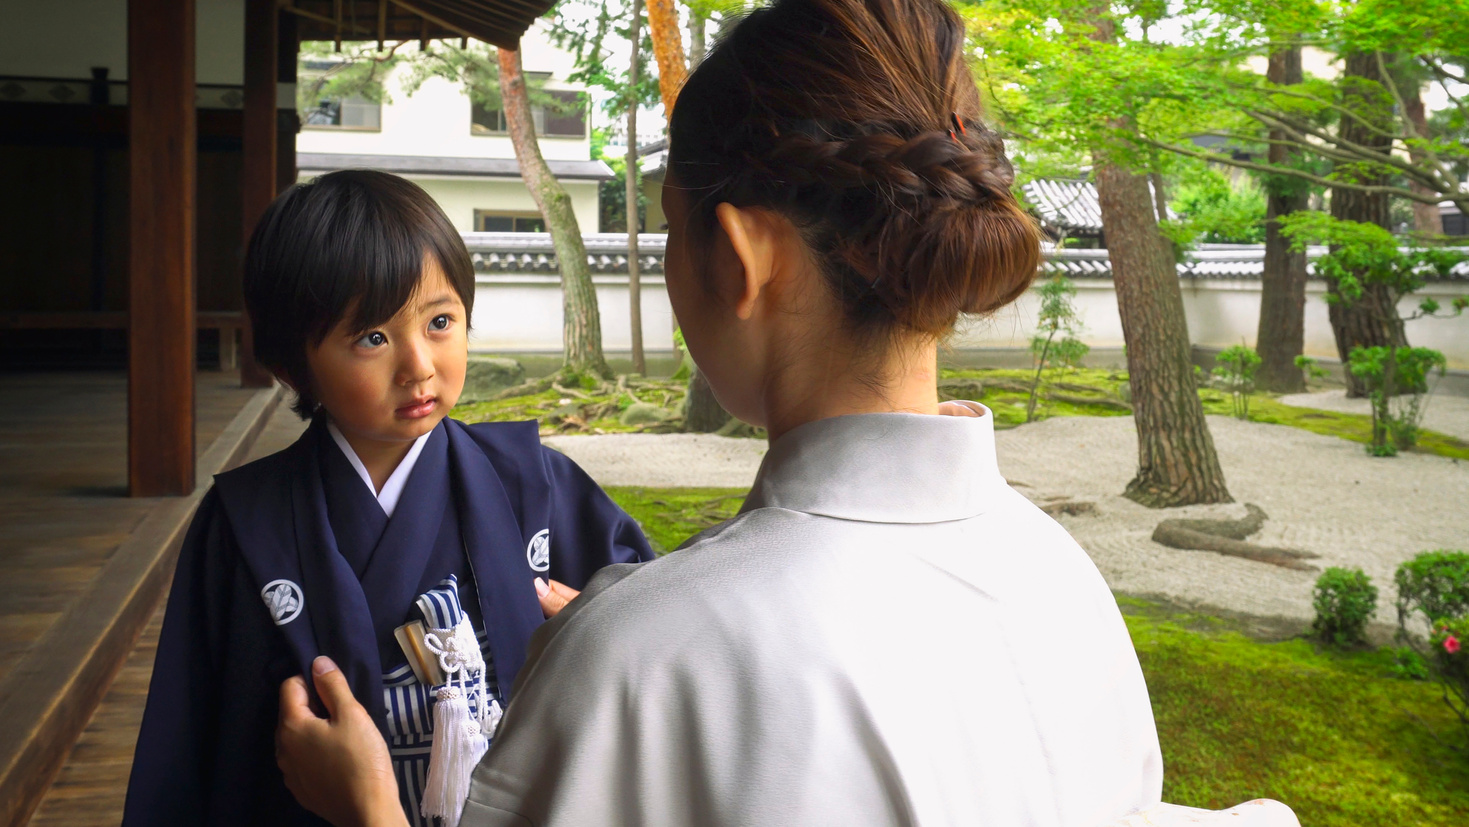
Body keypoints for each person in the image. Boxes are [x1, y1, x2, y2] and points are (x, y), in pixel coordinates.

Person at [274, 2, 1296, 825]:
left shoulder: (640, 654)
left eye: (669, 233)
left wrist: (370, 807)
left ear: (740, 255)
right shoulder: (1060, 576)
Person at [122, 170, 654, 827]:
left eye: (439, 322)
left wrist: (608, 638)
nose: (418, 366)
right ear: (293, 366)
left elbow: (662, 650)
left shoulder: (536, 484)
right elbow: (193, 743)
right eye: (372, 337)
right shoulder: (246, 524)